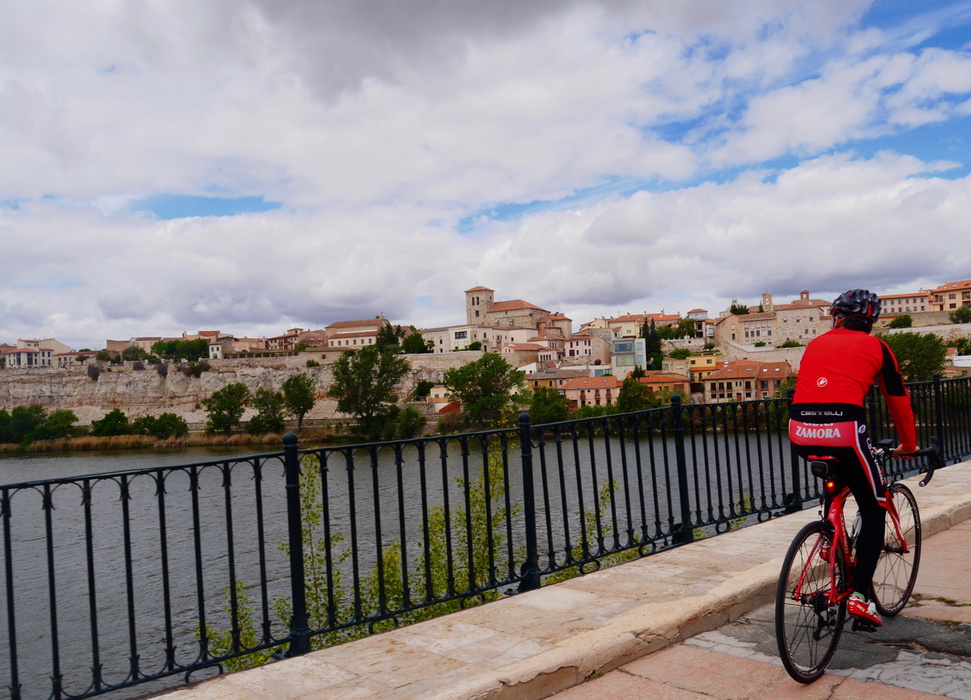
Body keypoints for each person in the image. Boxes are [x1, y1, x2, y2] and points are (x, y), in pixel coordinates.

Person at [789, 289, 918, 628]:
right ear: (871, 322)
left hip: (799, 428)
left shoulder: (816, 344)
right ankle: (860, 596)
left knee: (840, 477)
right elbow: (898, 400)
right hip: (844, 429)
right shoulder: (879, 349)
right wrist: (909, 445)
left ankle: (830, 533)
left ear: (836, 317)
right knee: (874, 507)